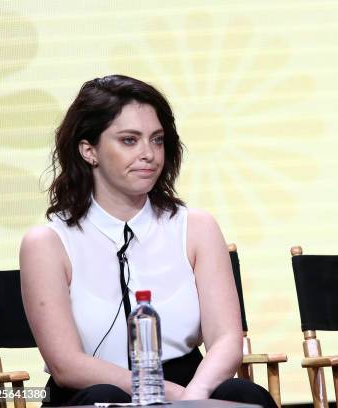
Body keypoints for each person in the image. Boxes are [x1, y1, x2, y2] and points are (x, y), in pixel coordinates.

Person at [20, 75, 276, 407]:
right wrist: (160, 391)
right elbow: (65, 365)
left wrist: (192, 398)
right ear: (89, 150)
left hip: (187, 381)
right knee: (104, 398)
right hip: (91, 389)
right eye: (129, 140)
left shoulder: (196, 227)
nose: (149, 154)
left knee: (244, 395)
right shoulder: (48, 242)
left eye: (157, 140)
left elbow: (226, 338)